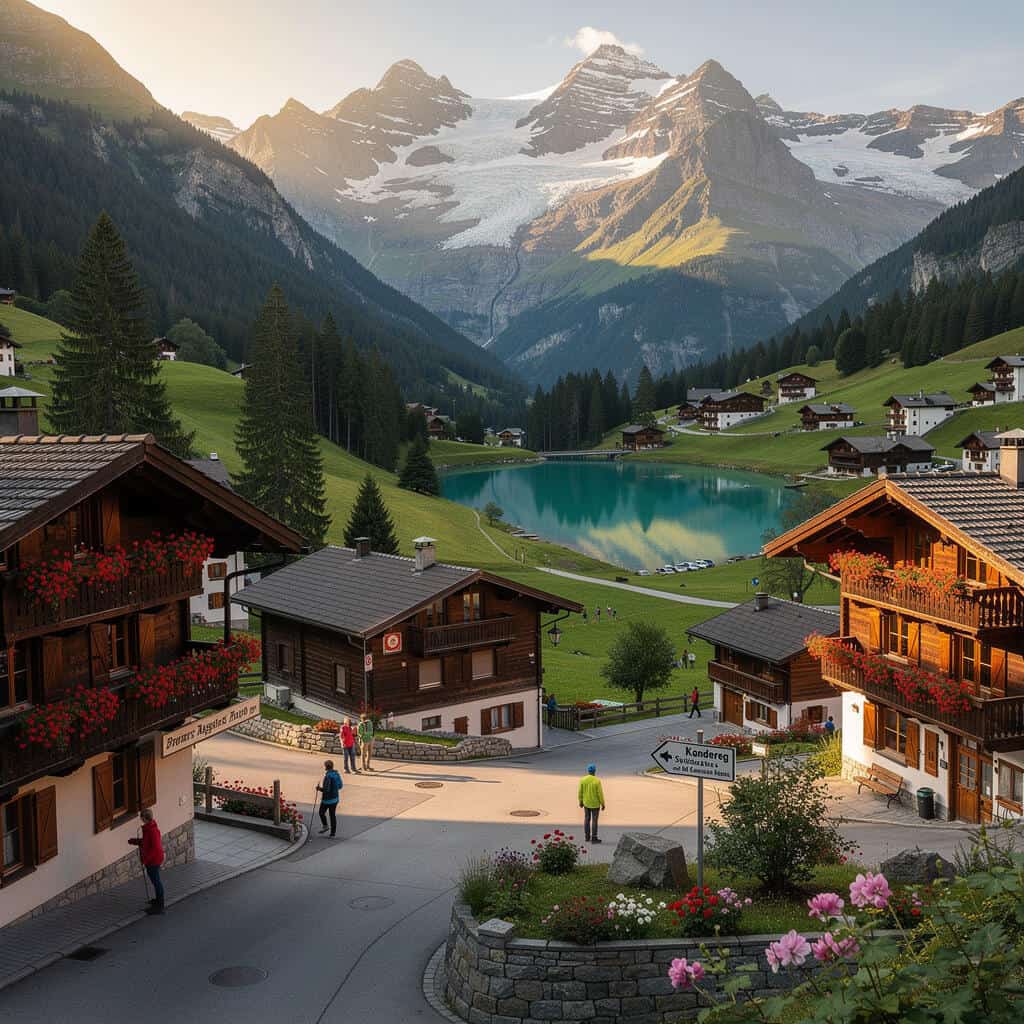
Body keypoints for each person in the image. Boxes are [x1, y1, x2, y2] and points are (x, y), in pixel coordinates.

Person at [128, 808, 165, 915]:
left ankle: (160, 906)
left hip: (153, 860)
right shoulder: (149, 828)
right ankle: (157, 901)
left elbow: (155, 848)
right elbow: (146, 843)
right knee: (155, 881)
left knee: (156, 881)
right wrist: (134, 841)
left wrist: (146, 859)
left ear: (144, 818)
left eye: (141, 817)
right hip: (152, 859)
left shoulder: (152, 831)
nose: (141, 819)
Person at [578, 764, 605, 844]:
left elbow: (580, 792)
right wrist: (602, 803)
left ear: (588, 771)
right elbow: (600, 793)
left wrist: (580, 801)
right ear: (595, 771)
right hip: (595, 804)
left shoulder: (583, 780)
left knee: (587, 819)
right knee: (594, 821)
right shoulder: (597, 781)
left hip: (586, 803)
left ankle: (587, 836)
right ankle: (594, 838)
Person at [316, 760, 343, 837]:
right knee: (332, 815)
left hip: (327, 800)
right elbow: (340, 786)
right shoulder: (336, 774)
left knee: (321, 813)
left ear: (326, 767)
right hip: (335, 798)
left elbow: (326, 790)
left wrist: (319, 788)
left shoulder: (328, 776)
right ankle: (333, 833)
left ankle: (325, 826)